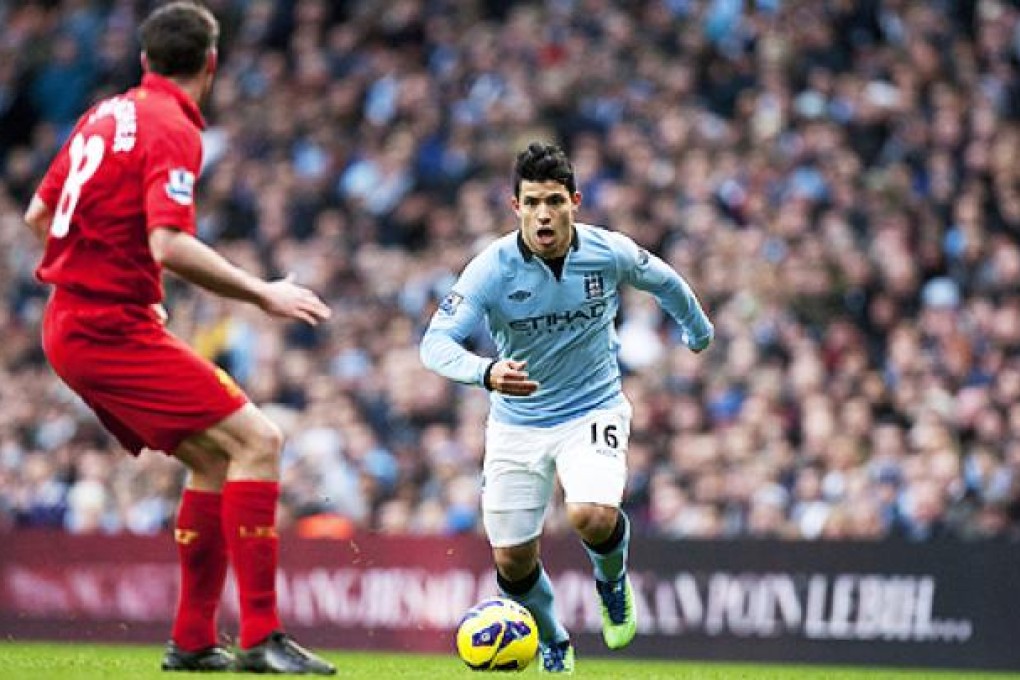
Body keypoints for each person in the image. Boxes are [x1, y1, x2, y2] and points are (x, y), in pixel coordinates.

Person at [22, 2, 334, 675]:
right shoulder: (173, 126)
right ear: (212, 63)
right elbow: (170, 242)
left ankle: (192, 639)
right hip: (103, 325)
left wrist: (115, 278)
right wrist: (262, 293)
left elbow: (38, 214)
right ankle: (260, 637)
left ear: (145, 60)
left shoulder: (103, 114)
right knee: (261, 440)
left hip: (79, 319)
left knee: (217, 458)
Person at [420, 141, 714, 672]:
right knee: (511, 558)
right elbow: (434, 344)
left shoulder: (608, 252)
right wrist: (484, 371)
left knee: (589, 514)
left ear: (574, 201)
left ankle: (612, 581)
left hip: (592, 409)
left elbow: (665, 281)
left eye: (553, 201)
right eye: (531, 202)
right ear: (516, 208)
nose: (543, 214)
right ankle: (553, 637)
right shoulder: (491, 269)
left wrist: (697, 330)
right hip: (517, 423)